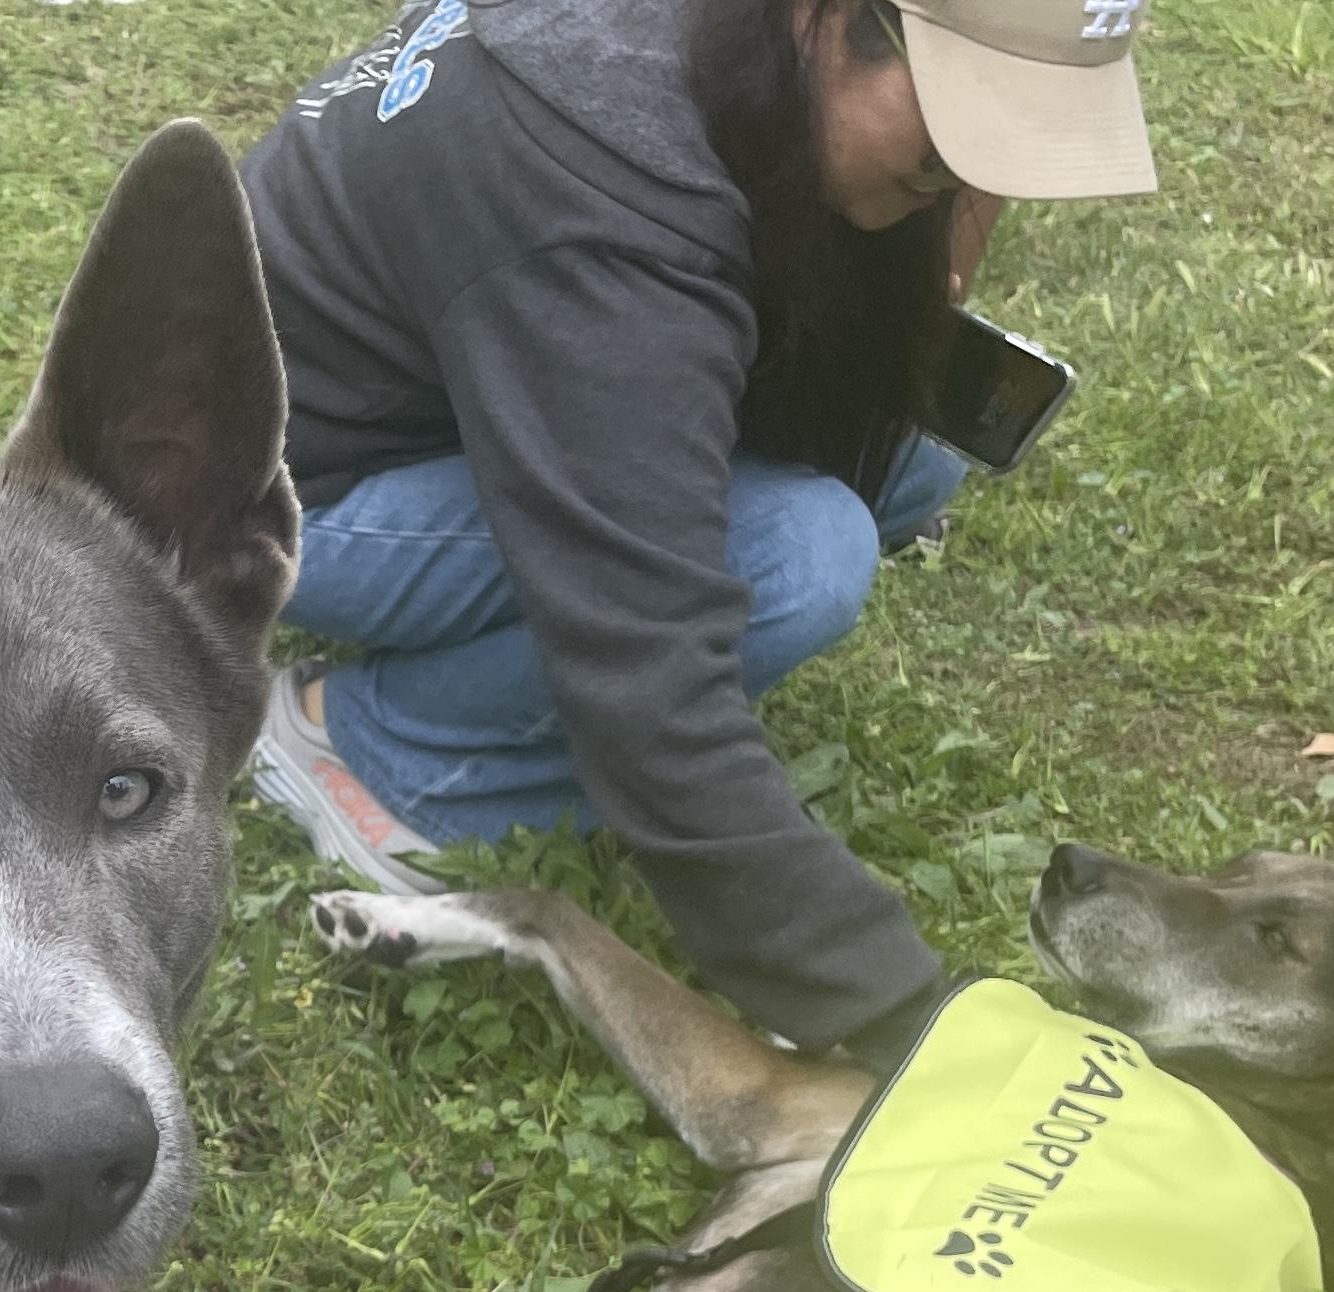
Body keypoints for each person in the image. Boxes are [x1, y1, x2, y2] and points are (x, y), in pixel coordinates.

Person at [245, 0, 1158, 1057]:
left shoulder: (723, 55)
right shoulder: (604, 200)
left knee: (898, 464)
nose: (971, 177)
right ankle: (362, 744)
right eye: (966, 118)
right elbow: (646, 676)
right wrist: (906, 1017)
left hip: (453, 355)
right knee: (800, 552)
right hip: (275, 492)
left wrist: (936, 211)